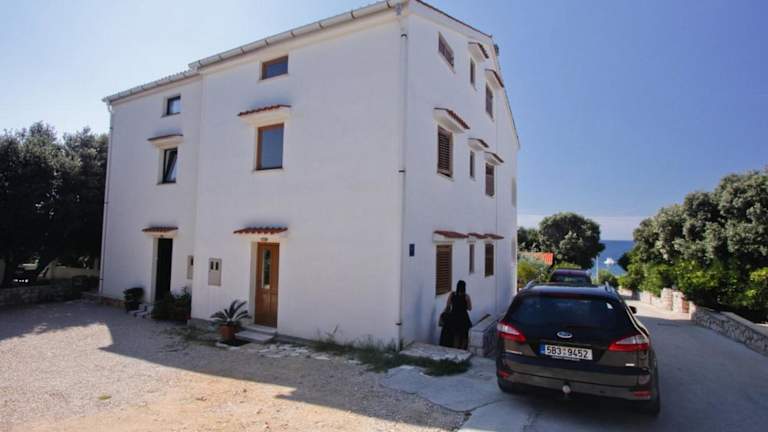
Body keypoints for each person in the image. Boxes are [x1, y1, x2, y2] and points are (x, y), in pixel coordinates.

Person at [439, 280, 473, 349]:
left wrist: (442, 315)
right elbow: (470, 308)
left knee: (455, 336)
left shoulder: (452, 294)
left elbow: (448, 305)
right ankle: (462, 351)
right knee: (464, 337)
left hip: (454, 317)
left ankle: (455, 350)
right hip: (463, 318)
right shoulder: (466, 297)